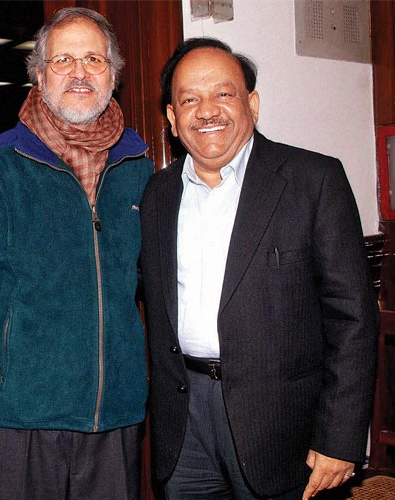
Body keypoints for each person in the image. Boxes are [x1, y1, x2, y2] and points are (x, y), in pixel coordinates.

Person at [0, 7, 153, 500]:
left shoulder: (141, 169)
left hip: (115, 423)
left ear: (114, 75)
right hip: (13, 426)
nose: (80, 72)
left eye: (94, 59)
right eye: (64, 60)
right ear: (39, 75)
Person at [139, 37, 379, 500]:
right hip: (183, 425)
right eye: (189, 99)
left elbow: (353, 320)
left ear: (252, 103)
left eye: (223, 94)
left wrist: (341, 438)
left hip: (284, 429)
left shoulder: (314, 180)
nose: (206, 110)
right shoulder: (157, 195)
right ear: (172, 118)